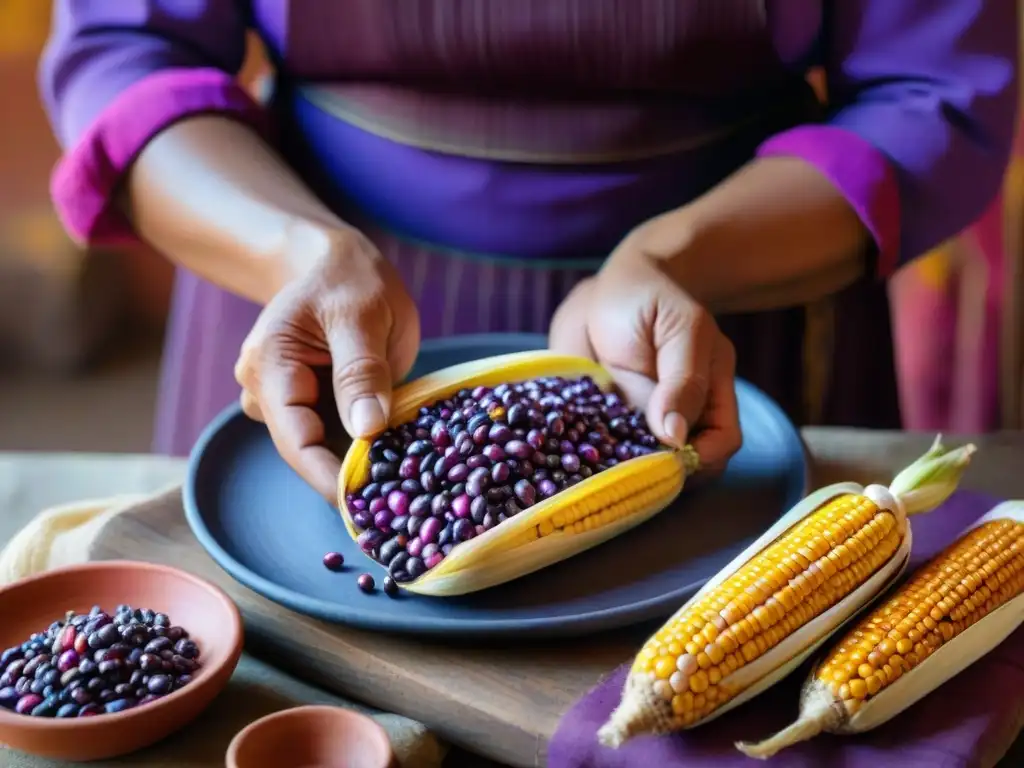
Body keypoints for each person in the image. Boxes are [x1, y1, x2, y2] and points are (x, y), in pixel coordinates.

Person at [40, 2, 1017, 502]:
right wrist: (294, 253)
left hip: (722, 332)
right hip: (311, 318)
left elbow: (933, 91)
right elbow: (130, 50)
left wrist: (676, 259)